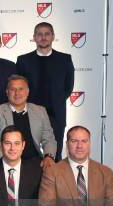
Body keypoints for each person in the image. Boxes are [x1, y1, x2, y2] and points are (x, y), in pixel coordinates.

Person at [17, 22, 74, 161]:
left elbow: (68, 87)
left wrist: (56, 100)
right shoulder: (23, 60)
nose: (43, 37)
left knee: (55, 155)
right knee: (28, 154)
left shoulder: (65, 59)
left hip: (56, 115)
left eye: (47, 34)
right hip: (29, 113)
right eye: (40, 34)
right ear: (34, 37)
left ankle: (55, 183)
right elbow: (18, 87)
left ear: (53, 36)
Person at [0, 75, 56, 170]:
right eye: (13, 89)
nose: (17, 93)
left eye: (21, 89)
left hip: (35, 163)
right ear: (7, 92)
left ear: (28, 91)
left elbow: (49, 138)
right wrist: (7, 161)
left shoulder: (40, 111)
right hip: (4, 163)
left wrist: (48, 156)